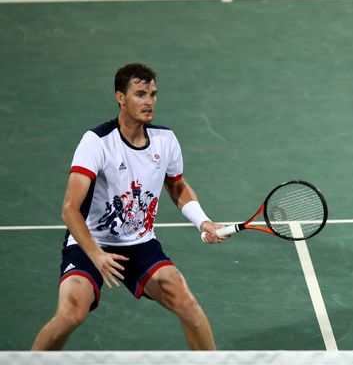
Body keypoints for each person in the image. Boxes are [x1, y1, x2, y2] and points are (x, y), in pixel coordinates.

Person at [32, 63, 229, 350]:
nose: (148, 101)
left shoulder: (166, 140)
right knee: (70, 314)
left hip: (139, 243)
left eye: (152, 94)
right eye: (139, 94)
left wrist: (203, 221)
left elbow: (177, 186)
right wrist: (96, 255)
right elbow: (69, 209)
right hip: (90, 242)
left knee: (188, 305)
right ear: (120, 98)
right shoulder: (97, 142)